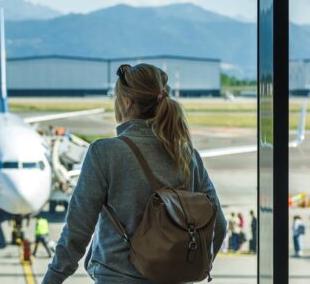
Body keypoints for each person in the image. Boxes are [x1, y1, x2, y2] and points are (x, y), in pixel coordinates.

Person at [42, 63, 227, 283]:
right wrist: (189, 268)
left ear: (127, 103)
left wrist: (52, 279)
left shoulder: (105, 153)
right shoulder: (187, 155)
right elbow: (219, 224)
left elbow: (76, 233)